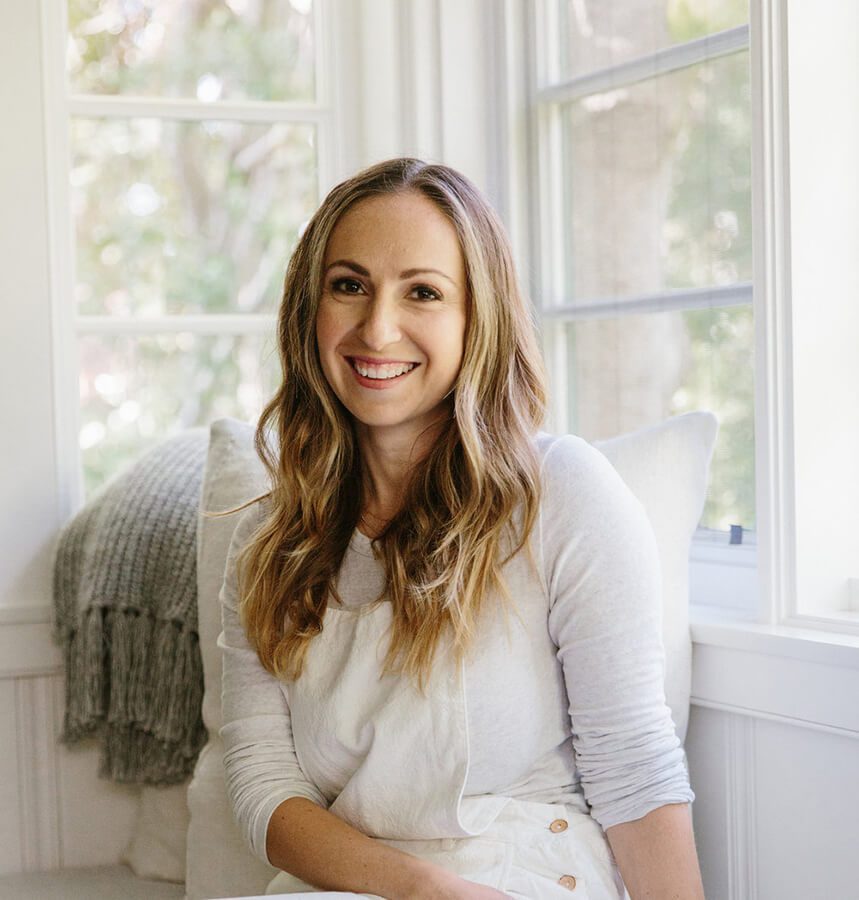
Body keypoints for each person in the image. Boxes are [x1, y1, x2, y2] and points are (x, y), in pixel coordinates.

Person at [217, 157, 706, 899]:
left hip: (528, 874)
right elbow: (263, 786)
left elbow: (634, 766)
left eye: (423, 292)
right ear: (308, 309)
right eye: (349, 285)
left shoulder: (560, 494)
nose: (378, 328)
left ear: (479, 318)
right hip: (358, 884)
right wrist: (420, 888)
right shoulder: (271, 541)